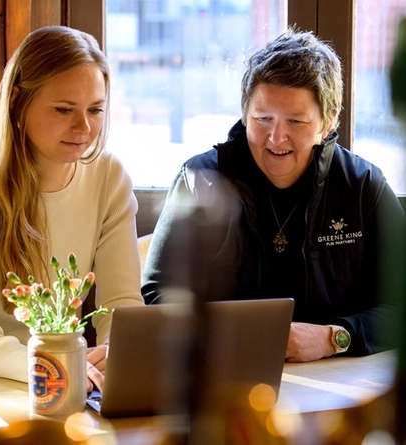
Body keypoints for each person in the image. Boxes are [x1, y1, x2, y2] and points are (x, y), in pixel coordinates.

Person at [141, 28, 406, 362]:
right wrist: (232, 339)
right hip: (225, 374)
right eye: (262, 118)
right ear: (244, 114)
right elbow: (157, 292)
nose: (276, 138)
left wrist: (335, 337)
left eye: (295, 121)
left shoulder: (364, 185)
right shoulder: (199, 179)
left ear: (327, 123)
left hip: (340, 378)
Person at [0, 26, 144, 391]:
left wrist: (118, 354)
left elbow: (121, 304)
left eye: (96, 110)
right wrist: (56, 366)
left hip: (68, 382)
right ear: (17, 102)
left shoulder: (108, 176)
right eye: (64, 110)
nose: (84, 127)